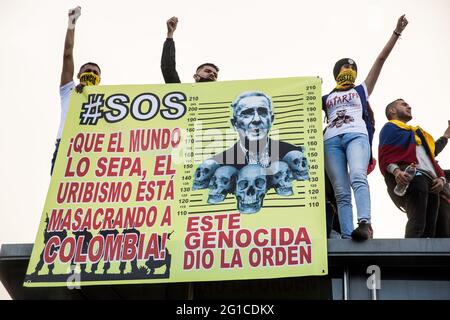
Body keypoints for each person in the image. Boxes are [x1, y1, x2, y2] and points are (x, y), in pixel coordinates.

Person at [322, 15, 409, 240]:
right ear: (336, 72)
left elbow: (380, 60)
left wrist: (396, 33)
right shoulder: (324, 97)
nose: (349, 70)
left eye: (353, 68)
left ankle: (364, 223)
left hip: (356, 137)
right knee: (340, 191)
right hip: (331, 141)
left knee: (358, 177)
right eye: (345, 67)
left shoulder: (361, 89)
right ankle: (345, 235)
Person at [379, 99, 449, 238]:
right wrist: (396, 171)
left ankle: (427, 260)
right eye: (403, 104)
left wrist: (441, 178)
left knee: (430, 229)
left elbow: (431, 154)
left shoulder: (417, 134)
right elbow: (385, 154)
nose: (409, 106)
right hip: (415, 177)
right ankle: (410, 258)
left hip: (433, 181)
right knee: (417, 224)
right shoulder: (390, 127)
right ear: (392, 111)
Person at [52, 6, 102, 174]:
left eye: (95, 73)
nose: (91, 73)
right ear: (79, 74)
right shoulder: (69, 91)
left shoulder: (105, 100)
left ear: (100, 80)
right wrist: (71, 24)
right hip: (66, 144)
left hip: (92, 149)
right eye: (88, 70)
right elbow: (67, 54)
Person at [161, 16, 219, 83]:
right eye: (207, 71)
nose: (212, 74)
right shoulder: (182, 92)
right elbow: (168, 69)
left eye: (215, 75)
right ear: (196, 76)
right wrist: (170, 34)